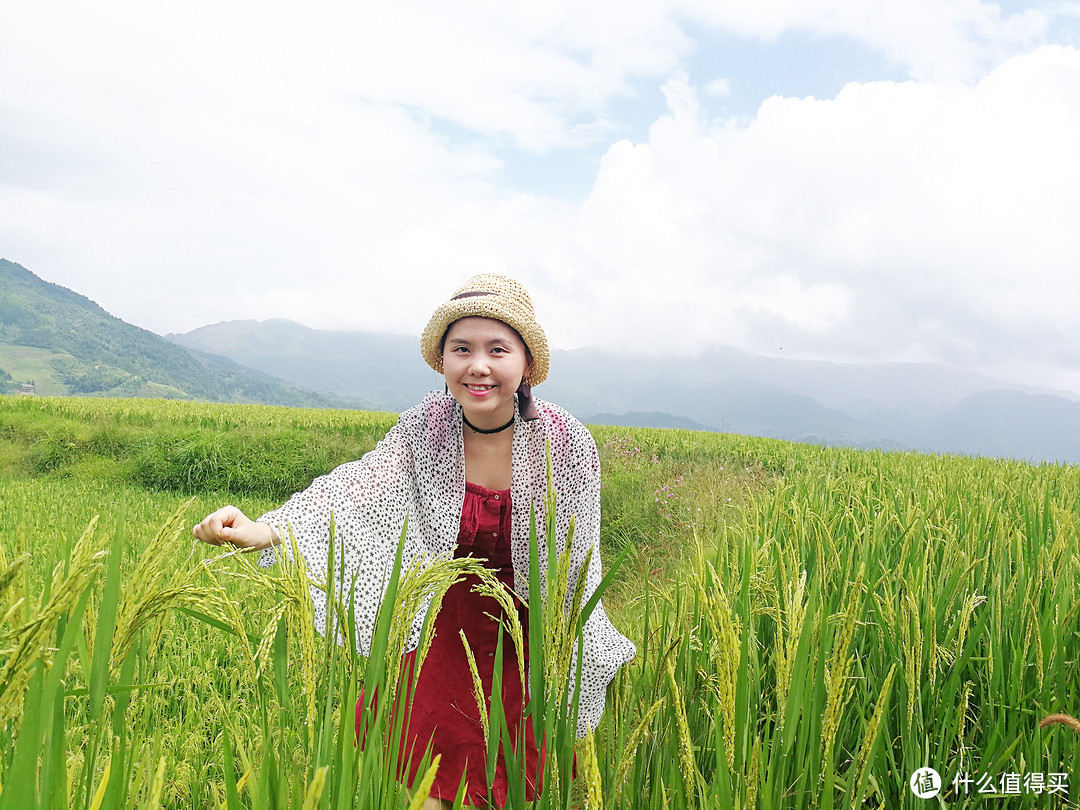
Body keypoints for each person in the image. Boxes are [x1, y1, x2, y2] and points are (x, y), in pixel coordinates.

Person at [193, 274, 636, 808]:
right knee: (428, 790)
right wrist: (265, 531)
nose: (478, 365)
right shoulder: (426, 427)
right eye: (461, 349)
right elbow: (357, 488)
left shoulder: (564, 443)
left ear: (526, 364)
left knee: (508, 788)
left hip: (527, 641)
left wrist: (568, 654)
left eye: (498, 349)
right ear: (442, 360)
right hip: (441, 633)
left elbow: (577, 559)